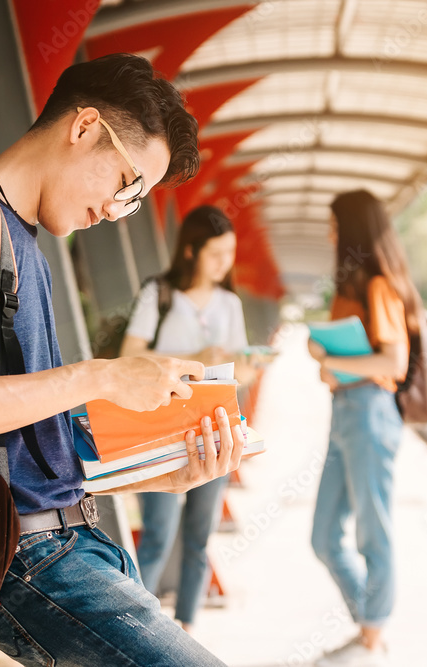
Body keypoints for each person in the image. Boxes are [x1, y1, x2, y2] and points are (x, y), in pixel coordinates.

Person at [0, 53, 246, 667]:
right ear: (84, 127)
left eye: (134, 202)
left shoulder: (24, 245)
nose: (115, 210)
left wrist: (165, 471)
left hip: (74, 543)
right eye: (128, 186)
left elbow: (26, 449)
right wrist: (99, 374)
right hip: (22, 553)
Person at [120, 204, 251, 633]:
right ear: (191, 251)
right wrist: (196, 359)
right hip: (160, 431)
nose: (224, 263)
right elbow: (129, 357)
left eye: (229, 253)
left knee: (199, 535)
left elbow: (241, 369)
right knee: (158, 532)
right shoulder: (159, 293)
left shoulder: (230, 304)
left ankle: (186, 628)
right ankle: (139, 626)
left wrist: (250, 364)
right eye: (216, 254)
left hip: (214, 428)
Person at [307, 189, 422, 667]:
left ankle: (372, 637)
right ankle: (370, 625)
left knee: (373, 533)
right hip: (347, 412)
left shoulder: (378, 286)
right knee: (323, 536)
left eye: (336, 226)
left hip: (371, 412)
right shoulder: (350, 288)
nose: (331, 236)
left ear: (353, 230)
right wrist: (329, 363)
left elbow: (394, 360)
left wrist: (330, 359)